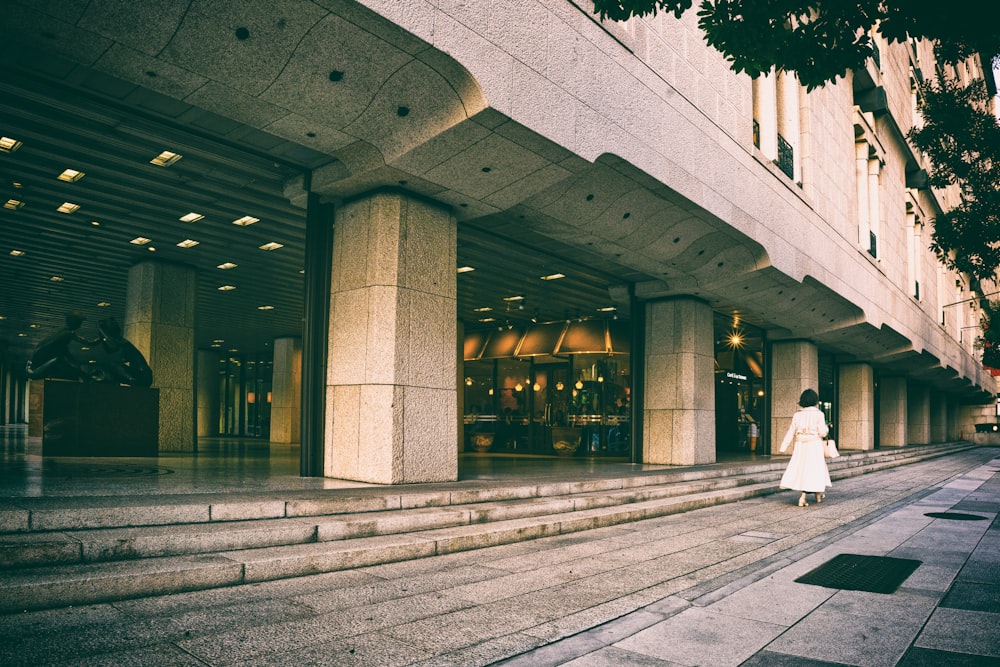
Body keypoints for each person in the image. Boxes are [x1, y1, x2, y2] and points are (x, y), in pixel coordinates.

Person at [778, 388, 831, 506]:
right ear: (815, 400)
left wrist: (783, 447)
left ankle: (809, 495)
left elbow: (791, 431)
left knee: (803, 470)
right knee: (815, 469)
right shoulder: (819, 414)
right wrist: (826, 428)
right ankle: (816, 494)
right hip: (814, 445)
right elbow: (822, 433)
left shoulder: (797, 415)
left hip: (800, 446)